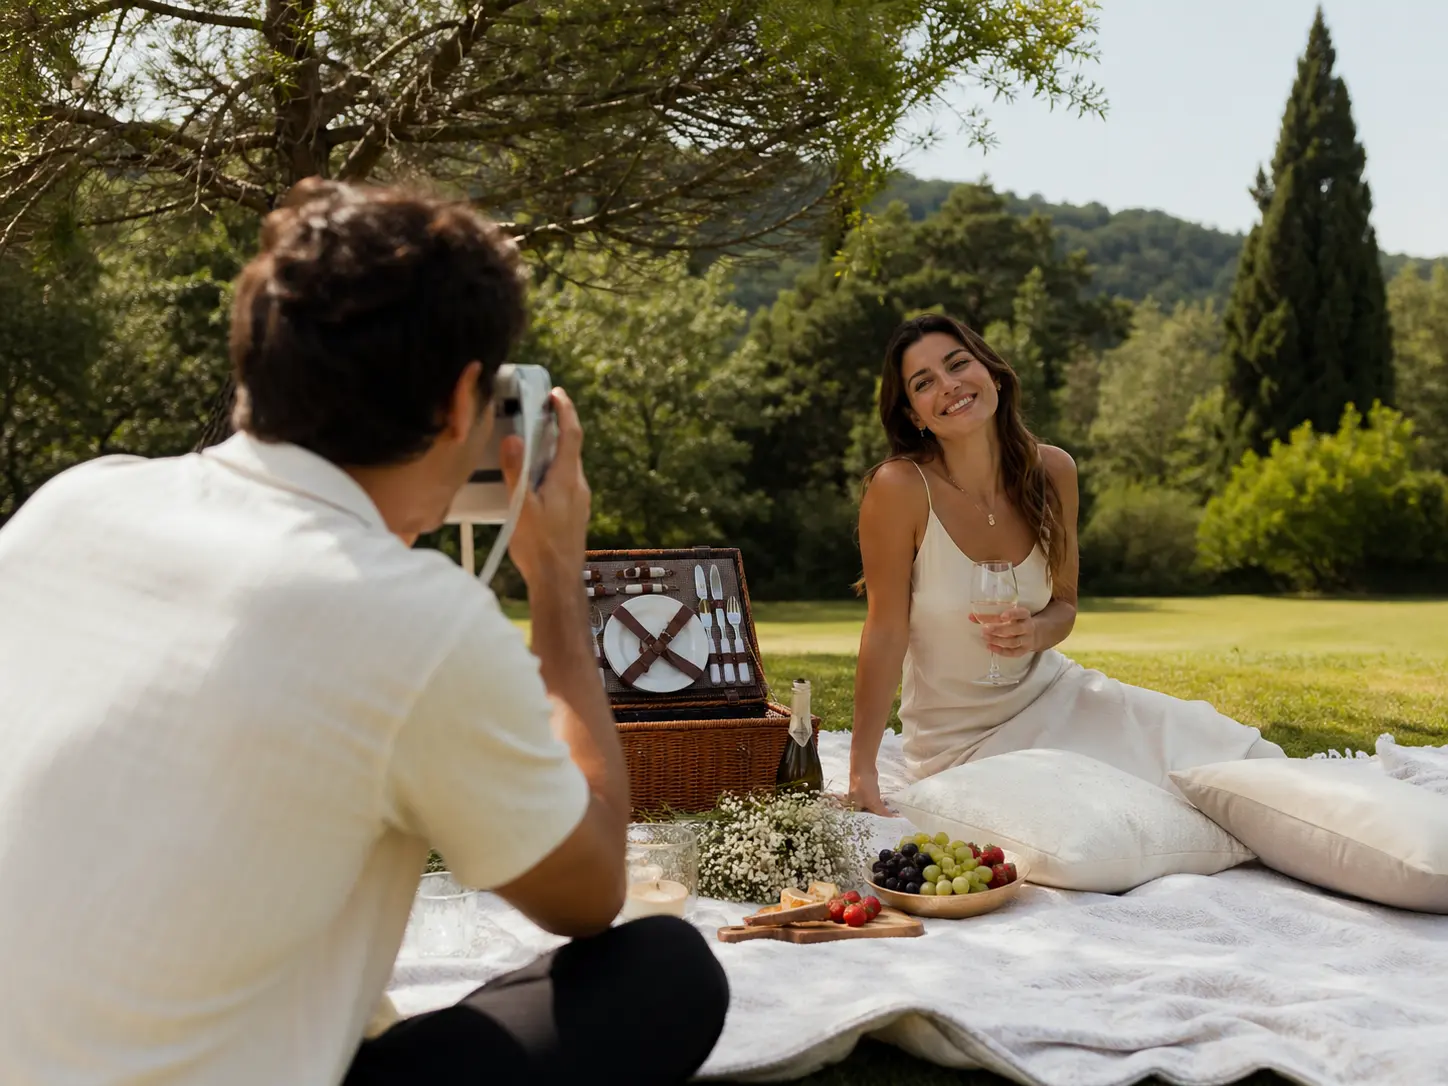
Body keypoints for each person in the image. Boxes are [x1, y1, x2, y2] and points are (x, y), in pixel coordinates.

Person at [0, 179, 728, 1085]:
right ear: (465, 401)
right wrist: (554, 583)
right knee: (664, 970)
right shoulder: (414, 616)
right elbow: (588, 893)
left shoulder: (69, 504)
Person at [848, 313, 1285, 815]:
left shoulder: (1054, 471)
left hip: (1057, 695)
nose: (948, 386)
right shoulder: (899, 488)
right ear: (915, 415)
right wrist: (863, 770)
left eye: (957, 364)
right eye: (924, 383)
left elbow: (1065, 606)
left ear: (991, 372)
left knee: (1238, 756)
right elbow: (884, 631)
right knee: (1125, 815)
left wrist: (1033, 633)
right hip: (962, 742)